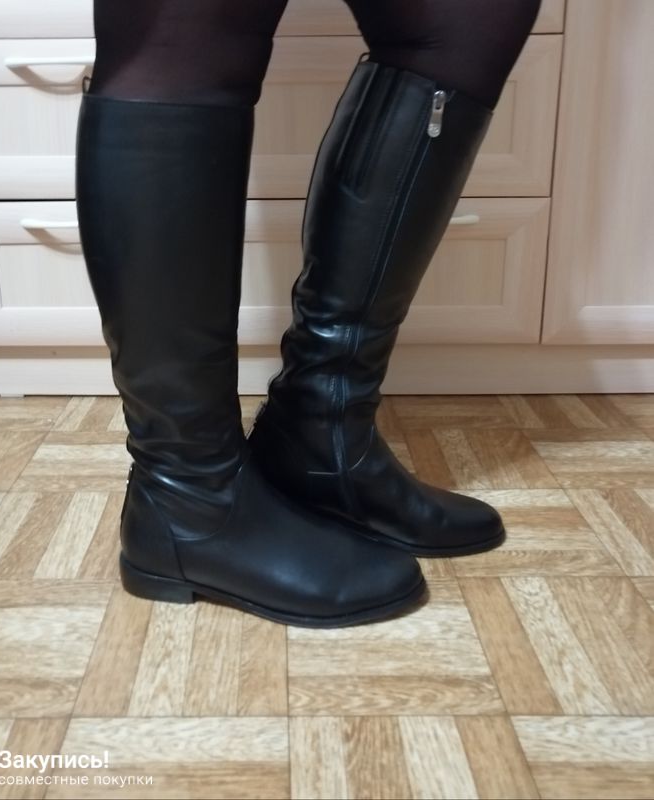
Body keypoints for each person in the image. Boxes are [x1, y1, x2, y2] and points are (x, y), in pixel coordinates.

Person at [75, 0, 542, 627]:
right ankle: (189, 497)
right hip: (192, 502)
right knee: (188, 32)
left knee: (463, 22)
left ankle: (323, 429)